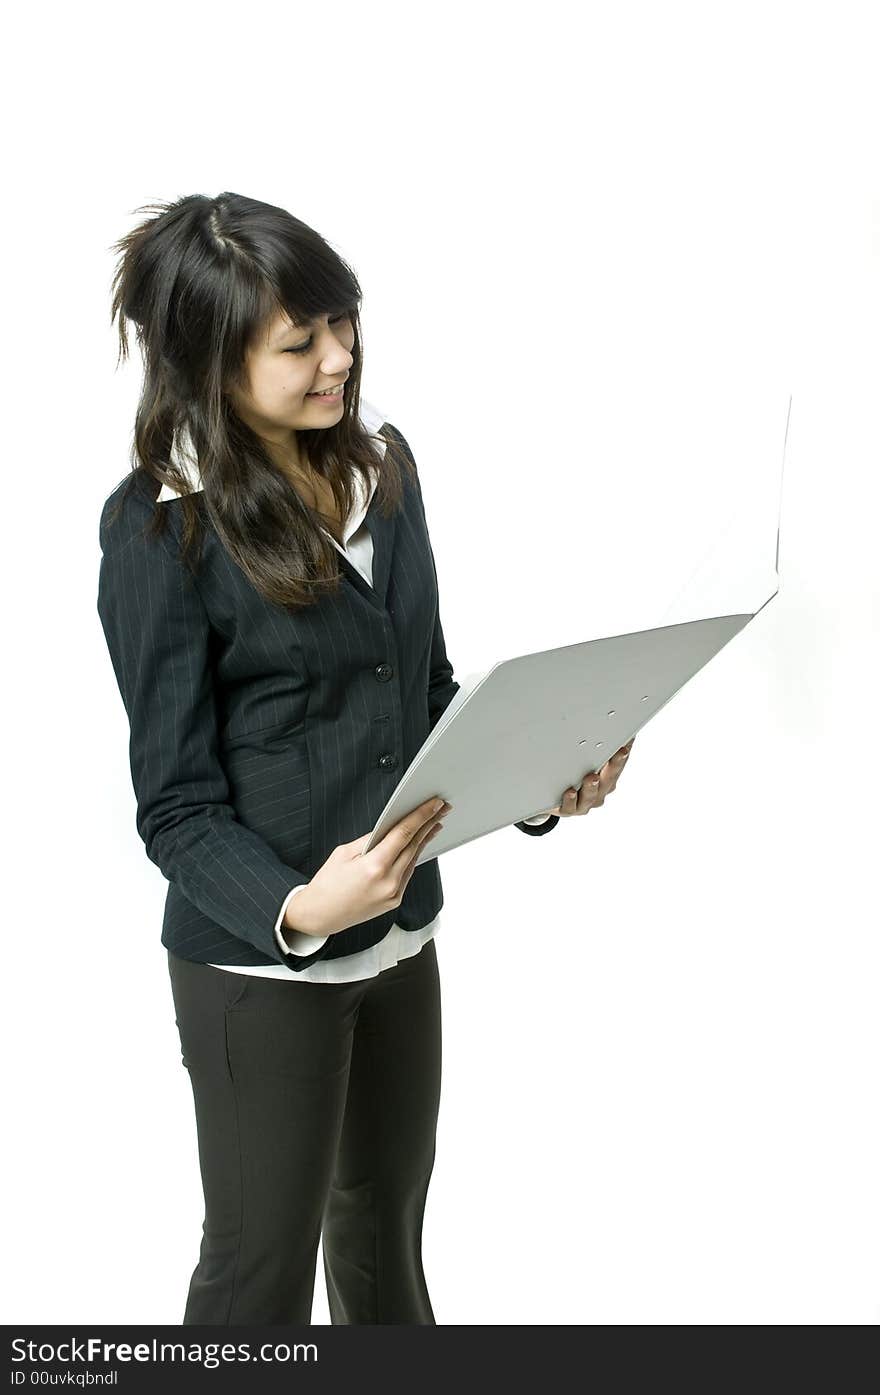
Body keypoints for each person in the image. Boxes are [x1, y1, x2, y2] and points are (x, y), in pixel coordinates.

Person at [96, 191, 632, 1326]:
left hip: (400, 936)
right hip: (258, 965)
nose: (338, 357)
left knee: (386, 1247)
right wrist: (299, 907)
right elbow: (176, 807)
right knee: (257, 1282)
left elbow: (422, 692)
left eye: (344, 323)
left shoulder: (384, 463)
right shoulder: (162, 524)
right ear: (208, 361)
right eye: (299, 343)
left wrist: (544, 779)